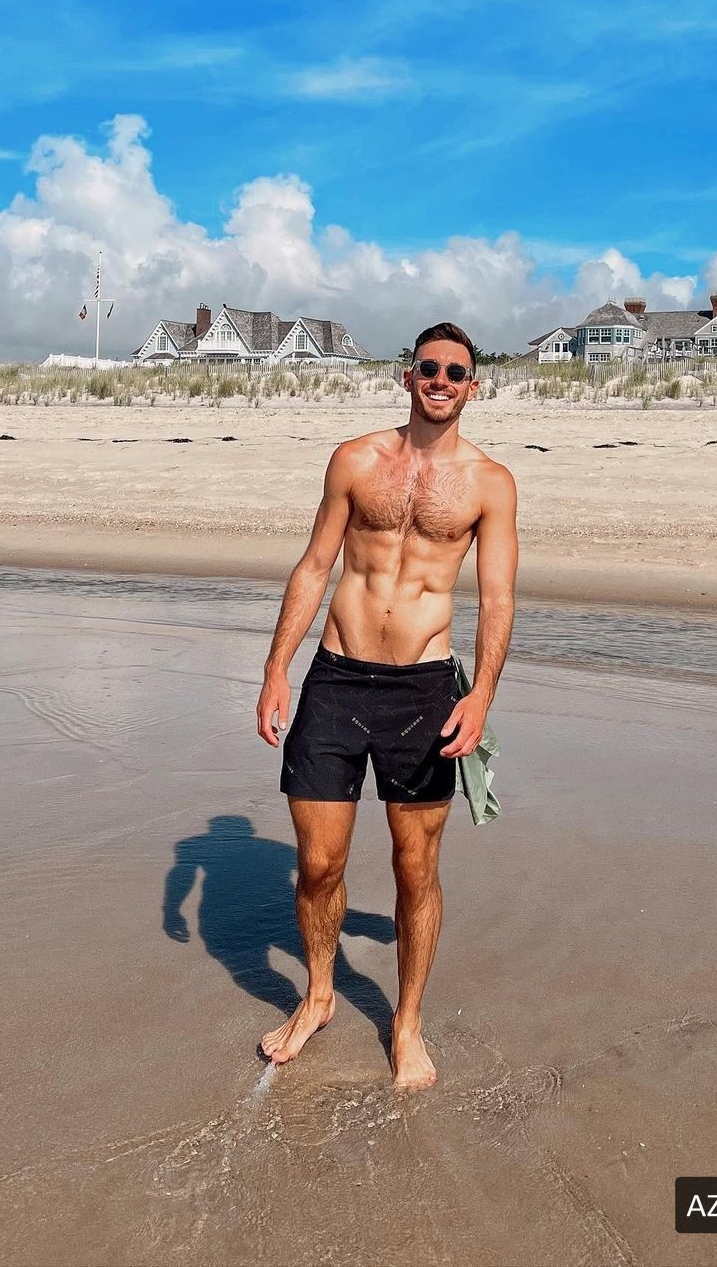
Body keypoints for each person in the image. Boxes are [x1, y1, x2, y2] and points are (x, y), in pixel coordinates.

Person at [256, 321, 518, 1089]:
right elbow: (315, 567)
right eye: (429, 368)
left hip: (423, 690)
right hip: (336, 680)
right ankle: (319, 996)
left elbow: (498, 598)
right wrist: (277, 669)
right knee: (317, 864)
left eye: (456, 372)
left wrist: (481, 696)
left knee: (415, 869)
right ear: (408, 377)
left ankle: (406, 1023)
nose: (441, 380)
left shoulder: (490, 483)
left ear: (473, 388)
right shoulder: (355, 460)